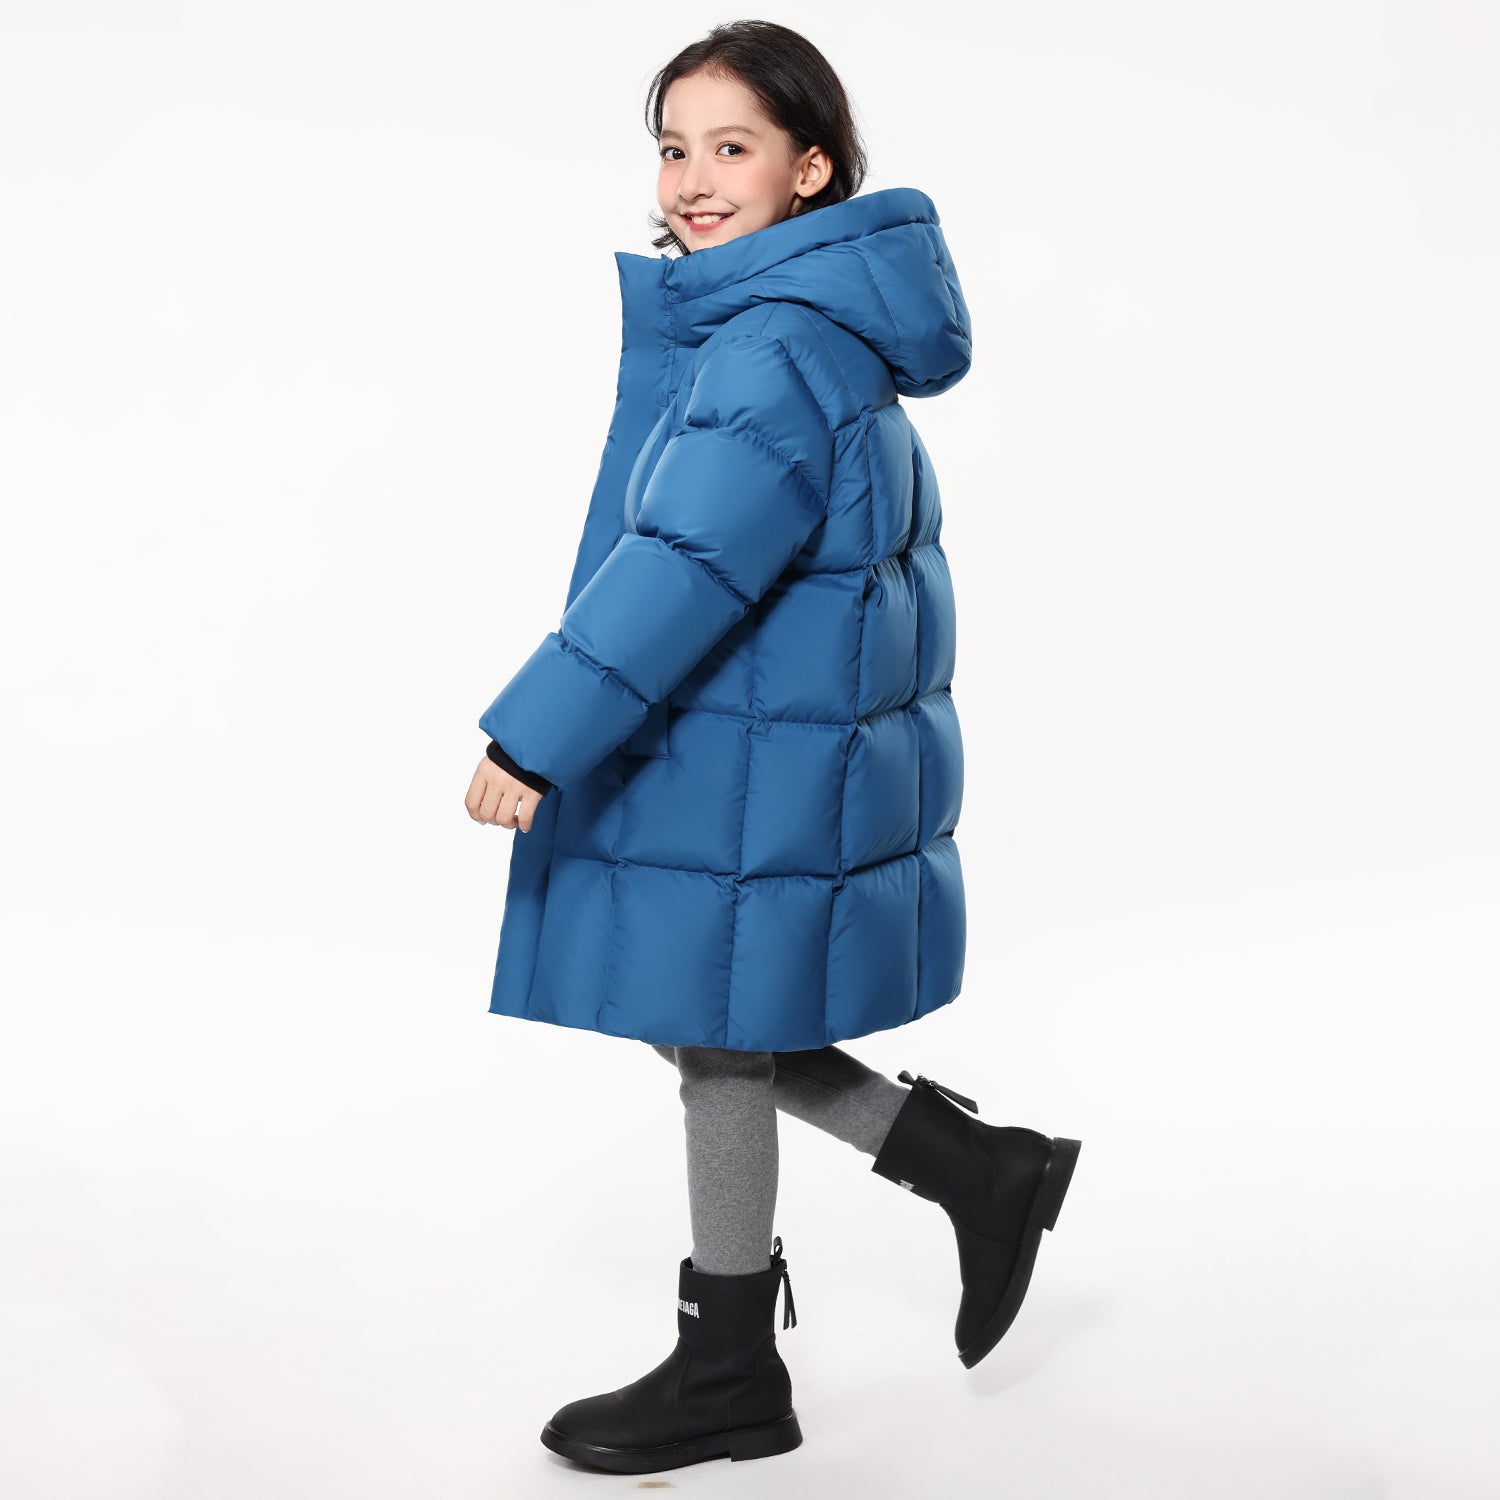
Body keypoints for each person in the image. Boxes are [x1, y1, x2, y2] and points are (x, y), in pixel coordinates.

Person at [462, 19, 1080, 1476]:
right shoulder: (806, 322)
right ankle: (964, 1174)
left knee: (715, 1035)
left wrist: (536, 737)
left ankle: (736, 1360)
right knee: (708, 1020)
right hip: (758, 739)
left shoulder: (773, 343)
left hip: (741, 748)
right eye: (672, 148)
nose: (691, 180)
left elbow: (686, 565)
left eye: (730, 147)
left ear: (810, 168)